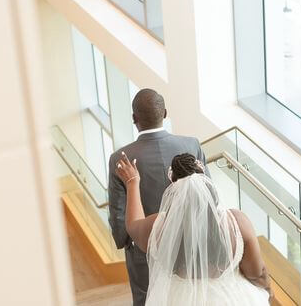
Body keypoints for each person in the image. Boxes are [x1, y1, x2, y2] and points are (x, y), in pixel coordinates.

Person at [115, 152, 272, 306]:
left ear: (174, 188)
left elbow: (133, 224)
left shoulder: (157, 227)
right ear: (206, 183)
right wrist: (268, 289)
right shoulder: (237, 222)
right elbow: (255, 272)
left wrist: (132, 183)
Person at [108, 89, 208, 306]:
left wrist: (125, 242)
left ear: (134, 119)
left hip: (145, 249)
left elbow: (118, 213)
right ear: (164, 113)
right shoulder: (191, 145)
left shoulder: (120, 159)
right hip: (191, 244)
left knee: (148, 299)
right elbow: (208, 195)